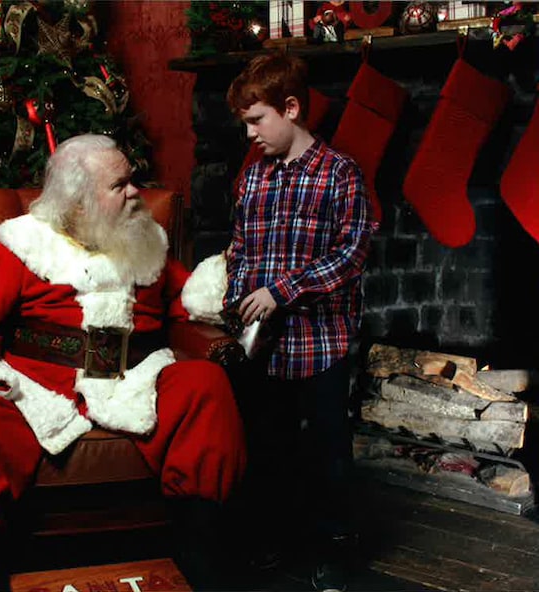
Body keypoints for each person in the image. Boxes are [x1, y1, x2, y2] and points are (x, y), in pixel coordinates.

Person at [0, 134, 247, 591]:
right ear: (79, 203)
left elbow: (187, 303)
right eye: (119, 185)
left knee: (206, 383)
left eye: (132, 181)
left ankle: (201, 562)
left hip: (137, 378)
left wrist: (222, 289)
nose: (135, 193)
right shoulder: (26, 246)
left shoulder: (146, 240)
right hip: (38, 388)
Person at [224, 53, 378, 592]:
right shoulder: (253, 181)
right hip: (266, 350)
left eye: (257, 119)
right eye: (244, 123)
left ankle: (332, 546)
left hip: (320, 346)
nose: (250, 133)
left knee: (327, 453)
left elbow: (350, 255)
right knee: (271, 447)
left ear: (291, 108)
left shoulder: (341, 173)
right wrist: (238, 294)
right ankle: (275, 538)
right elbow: (240, 248)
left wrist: (282, 291)